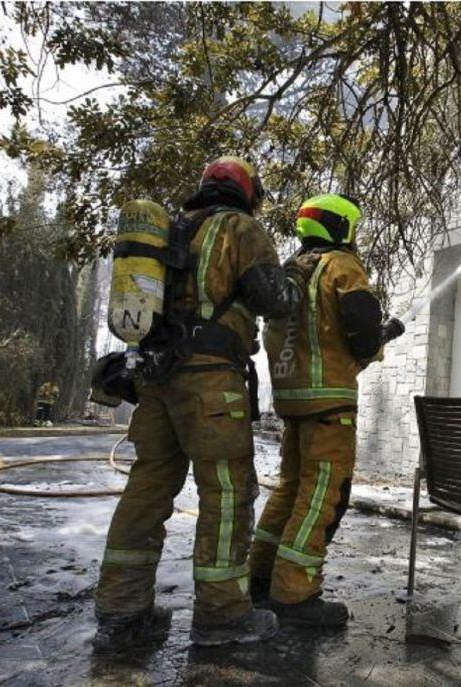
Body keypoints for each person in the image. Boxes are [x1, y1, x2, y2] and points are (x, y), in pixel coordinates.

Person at [93, 156, 303, 652]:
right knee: (227, 494)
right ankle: (223, 615)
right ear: (247, 194)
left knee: (147, 489)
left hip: (157, 381)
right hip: (211, 381)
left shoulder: (173, 231)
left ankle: (121, 613)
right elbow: (272, 298)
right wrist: (292, 282)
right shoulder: (241, 228)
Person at [249, 193, 404, 628]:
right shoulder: (342, 266)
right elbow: (361, 335)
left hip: (293, 402)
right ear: (343, 227)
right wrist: (381, 334)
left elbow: (312, 334)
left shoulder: (291, 271)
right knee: (321, 495)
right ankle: (294, 594)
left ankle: (259, 575)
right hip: (330, 404)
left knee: (290, 489)